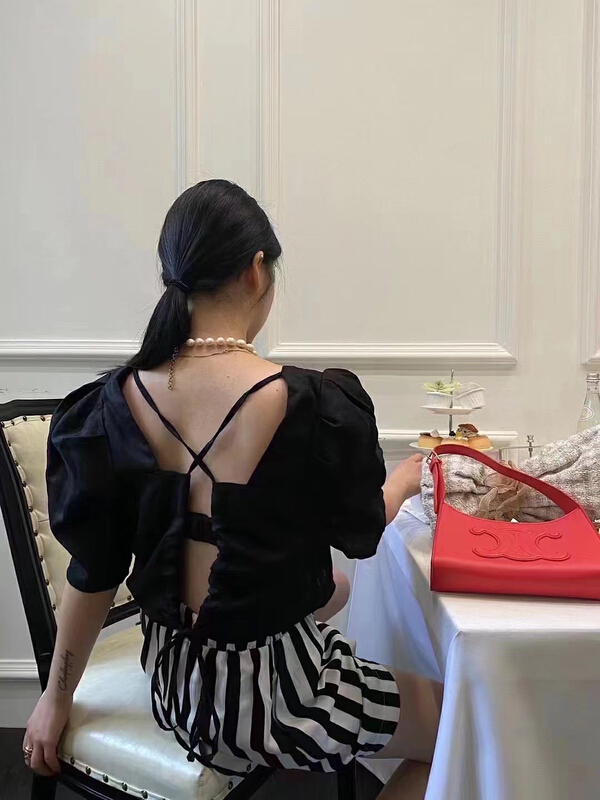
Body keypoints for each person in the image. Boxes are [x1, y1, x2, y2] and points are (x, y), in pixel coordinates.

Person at [23, 180, 441, 799]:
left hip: (174, 684)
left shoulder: (111, 405)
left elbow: (95, 575)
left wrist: (54, 700)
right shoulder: (312, 404)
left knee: (338, 588)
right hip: (275, 703)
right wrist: (405, 480)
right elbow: (360, 532)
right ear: (255, 270)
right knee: (461, 725)